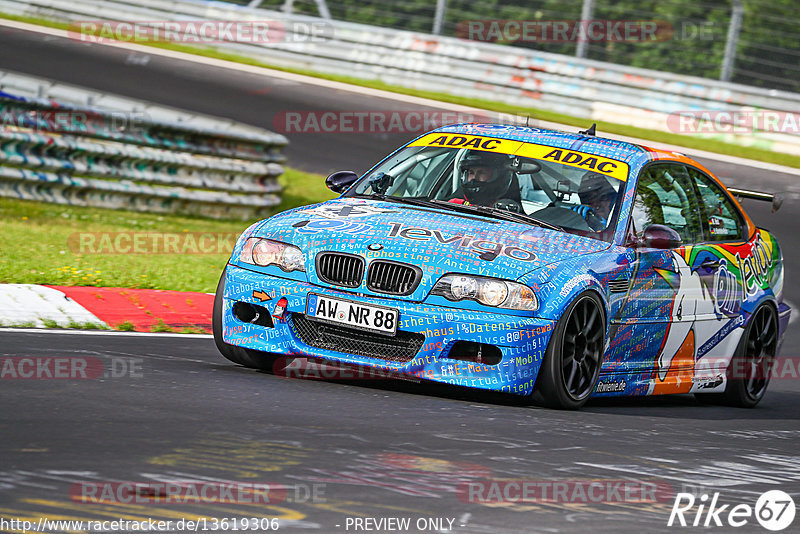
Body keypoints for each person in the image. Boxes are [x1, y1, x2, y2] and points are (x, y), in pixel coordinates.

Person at [449, 151, 518, 207]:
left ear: (498, 176)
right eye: (471, 173)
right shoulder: (453, 204)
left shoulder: (509, 210)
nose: (474, 178)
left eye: (482, 173)